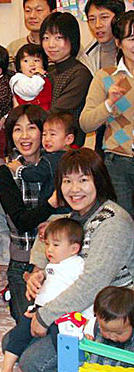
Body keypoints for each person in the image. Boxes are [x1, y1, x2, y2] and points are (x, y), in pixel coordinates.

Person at [16, 148, 134, 372]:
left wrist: (45, 316)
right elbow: (50, 236)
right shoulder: (77, 216)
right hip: (80, 306)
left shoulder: (112, 222)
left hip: (113, 314)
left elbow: (93, 284)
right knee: (19, 338)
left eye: (83, 180)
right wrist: (36, 272)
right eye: (67, 181)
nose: (74, 189)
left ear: (98, 181)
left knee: (32, 364)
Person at [0, 218, 89, 372]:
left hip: (63, 315)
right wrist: (37, 276)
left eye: (55, 245)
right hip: (38, 310)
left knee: (63, 343)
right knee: (16, 335)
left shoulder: (77, 265)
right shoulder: (53, 264)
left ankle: (71, 368)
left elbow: (84, 291)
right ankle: (6, 370)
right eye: (47, 244)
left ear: (74, 248)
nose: (49, 249)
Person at [0, 105, 57, 322]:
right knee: (29, 322)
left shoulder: (59, 166)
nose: (24, 136)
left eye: (31, 128)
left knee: (60, 322)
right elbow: (22, 222)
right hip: (22, 265)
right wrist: (51, 204)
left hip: (58, 264)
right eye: (17, 129)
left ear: (44, 132)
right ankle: (13, 292)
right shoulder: (6, 173)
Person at [80, 10, 134, 218]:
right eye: (131, 39)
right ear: (119, 42)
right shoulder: (107, 76)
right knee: (122, 224)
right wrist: (109, 103)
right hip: (118, 162)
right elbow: (86, 123)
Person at [40, 12, 92, 146]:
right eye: (46, 38)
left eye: (58, 37)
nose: (51, 44)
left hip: (67, 149)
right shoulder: (49, 71)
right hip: (46, 145)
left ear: (72, 39)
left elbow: (54, 113)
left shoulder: (80, 74)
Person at [80, 0, 125, 157]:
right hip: (105, 135)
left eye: (104, 17)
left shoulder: (128, 55)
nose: (97, 25)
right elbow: (87, 119)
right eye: (92, 19)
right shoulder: (86, 55)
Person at [7, 112, 75, 205]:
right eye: (44, 134)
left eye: (52, 134)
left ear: (69, 139)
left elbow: (35, 174)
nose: (47, 139)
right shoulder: (75, 156)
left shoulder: (50, 160)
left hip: (54, 209)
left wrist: (19, 169)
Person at [85, 286, 134, 368]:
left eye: (119, 333)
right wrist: (87, 344)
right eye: (105, 330)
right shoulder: (94, 326)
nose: (111, 336)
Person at [6, 0, 56, 66]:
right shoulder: (14, 48)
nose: (32, 16)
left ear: (53, 13)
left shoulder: (60, 47)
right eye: (28, 11)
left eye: (39, 10)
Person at [10, 44, 52, 110]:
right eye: (26, 61)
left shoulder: (45, 77)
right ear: (19, 66)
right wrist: (38, 75)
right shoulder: (18, 79)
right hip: (26, 116)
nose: (32, 64)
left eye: (36, 60)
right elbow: (32, 90)